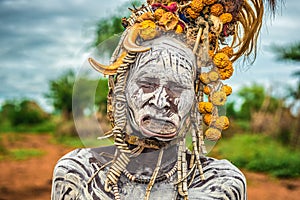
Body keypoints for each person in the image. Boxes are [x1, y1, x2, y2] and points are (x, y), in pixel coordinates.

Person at [51, 0, 277, 199]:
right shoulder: (78, 175)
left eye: (177, 87)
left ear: (195, 97)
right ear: (121, 89)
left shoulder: (221, 185)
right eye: (147, 84)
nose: (161, 100)